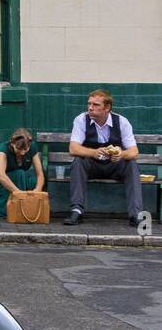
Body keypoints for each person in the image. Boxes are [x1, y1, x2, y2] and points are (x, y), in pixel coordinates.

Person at [63, 89, 142, 227]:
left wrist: (121, 154)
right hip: (92, 165)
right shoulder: (81, 119)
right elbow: (73, 148)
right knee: (78, 162)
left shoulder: (122, 122)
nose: (90, 107)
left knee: (132, 165)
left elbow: (134, 152)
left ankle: (135, 214)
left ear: (107, 108)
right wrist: (93, 153)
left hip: (114, 166)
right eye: (89, 104)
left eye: (95, 105)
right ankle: (76, 210)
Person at [0, 127, 44, 219]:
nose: (22, 153)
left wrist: (38, 190)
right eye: (19, 149)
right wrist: (18, 193)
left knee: (34, 180)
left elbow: (40, 174)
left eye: (25, 150)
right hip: (3, 187)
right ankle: (15, 208)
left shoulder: (32, 147)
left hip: (22, 181)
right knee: (19, 173)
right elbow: (0, 175)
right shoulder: (3, 148)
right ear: (12, 143)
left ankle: (31, 209)